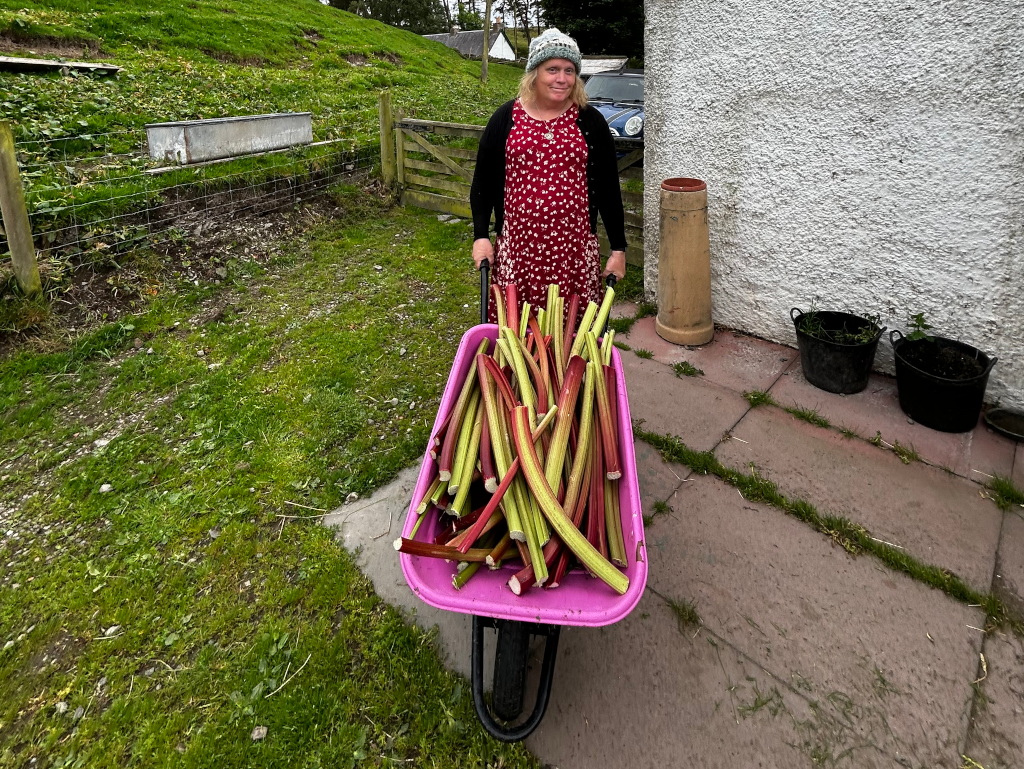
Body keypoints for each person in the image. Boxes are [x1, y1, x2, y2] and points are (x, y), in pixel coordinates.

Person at [470, 28, 627, 322]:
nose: (562, 78)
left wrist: (618, 248)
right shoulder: (506, 117)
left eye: (569, 70)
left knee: (571, 331)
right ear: (534, 73)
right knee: (516, 327)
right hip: (519, 249)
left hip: (572, 252)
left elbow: (607, 189)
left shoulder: (590, 121)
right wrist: (481, 235)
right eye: (552, 69)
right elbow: (484, 182)